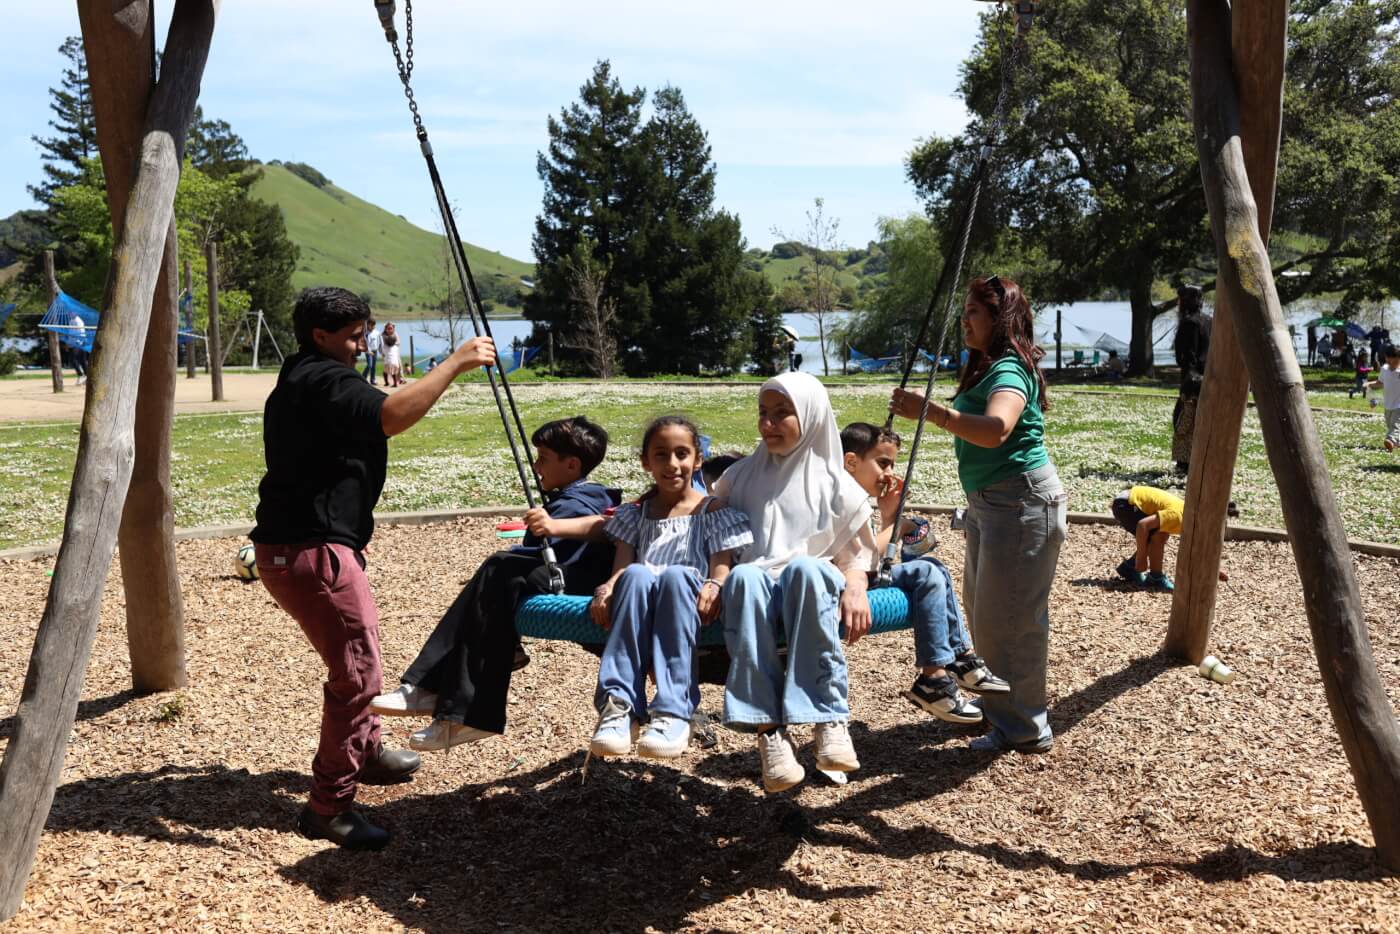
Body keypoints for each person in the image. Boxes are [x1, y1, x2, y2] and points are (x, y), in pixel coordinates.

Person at [251, 287, 495, 850]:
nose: (364, 343)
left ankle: (364, 751)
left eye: (365, 332)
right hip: (312, 552)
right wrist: (456, 362)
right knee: (357, 673)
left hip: (305, 547)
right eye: (355, 334)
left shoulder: (303, 374)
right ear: (321, 335)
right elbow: (390, 416)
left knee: (360, 656)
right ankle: (328, 807)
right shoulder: (323, 379)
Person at [890, 274, 1066, 755]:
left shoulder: (1008, 368)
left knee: (1013, 620)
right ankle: (1005, 717)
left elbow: (996, 429)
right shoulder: (990, 365)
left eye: (972, 312)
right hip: (996, 503)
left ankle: (1026, 729)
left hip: (1021, 502)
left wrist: (931, 412)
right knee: (989, 618)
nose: (964, 320)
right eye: (965, 311)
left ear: (998, 318)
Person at [370, 417, 621, 749]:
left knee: (499, 568)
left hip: (579, 583)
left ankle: (436, 693)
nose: (536, 465)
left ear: (572, 465)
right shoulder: (579, 497)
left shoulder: (576, 504)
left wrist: (536, 538)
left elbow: (560, 555)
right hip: (566, 574)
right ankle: (447, 701)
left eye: (543, 457)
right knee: (497, 572)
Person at [716, 372, 877, 793]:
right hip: (756, 583)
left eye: (781, 414)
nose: (768, 424)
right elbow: (713, 534)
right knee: (747, 577)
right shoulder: (739, 478)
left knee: (806, 568)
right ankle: (769, 732)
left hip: (808, 583)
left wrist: (856, 587)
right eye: (763, 414)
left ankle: (828, 717)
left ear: (810, 415)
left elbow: (855, 557)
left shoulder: (836, 486)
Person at [580, 416, 752, 759]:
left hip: (686, 594)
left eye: (681, 454)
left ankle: (674, 708)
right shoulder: (637, 513)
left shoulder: (711, 510)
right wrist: (608, 587)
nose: (672, 464)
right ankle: (620, 706)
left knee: (675, 575)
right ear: (646, 462)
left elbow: (721, 564)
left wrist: (716, 585)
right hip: (642, 596)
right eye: (660, 455)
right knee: (636, 576)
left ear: (698, 459)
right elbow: (623, 566)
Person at [839, 422, 1008, 724]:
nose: (889, 472)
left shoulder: (854, 498)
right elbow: (861, 557)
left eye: (892, 464)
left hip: (857, 574)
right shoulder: (842, 499)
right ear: (851, 462)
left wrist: (889, 513)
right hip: (841, 584)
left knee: (933, 568)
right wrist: (898, 526)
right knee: (929, 573)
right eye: (883, 463)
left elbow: (873, 555)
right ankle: (940, 672)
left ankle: (955, 661)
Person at [1110, 487, 1183, 591]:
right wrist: (1142, 558)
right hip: (1126, 504)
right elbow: (1143, 525)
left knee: (1160, 535)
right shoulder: (1179, 517)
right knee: (1152, 535)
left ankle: (1132, 568)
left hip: (1128, 500)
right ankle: (1153, 576)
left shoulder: (1185, 514)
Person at [1172, 285, 1211, 473]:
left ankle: (1186, 462)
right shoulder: (1210, 321)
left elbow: (1187, 356)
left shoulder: (1189, 323)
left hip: (1192, 381)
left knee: (1184, 421)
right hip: (1210, 378)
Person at [1367, 344, 1400, 452]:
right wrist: (1370, 385)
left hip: (1398, 406)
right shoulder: (1384, 369)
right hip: (1388, 405)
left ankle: (1390, 440)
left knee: (1395, 426)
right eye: (1390, 362)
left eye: (1395, 362)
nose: (1392, 364)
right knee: (1390, 424)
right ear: (1386, 358)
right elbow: (1380, 383)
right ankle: (1397, 442)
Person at [381, 323, 403, 388]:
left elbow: (398, 343)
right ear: (385, 329)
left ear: (393, 329)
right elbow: (381, 345)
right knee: (385, 370)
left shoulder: (395, 334)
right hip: (387, 354)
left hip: (394, 354)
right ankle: (387, 382)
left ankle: (396, 382)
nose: (390, 330)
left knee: (394, 369)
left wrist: (393, 345)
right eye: (388, 328)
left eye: (391, 328)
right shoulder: (383, 335)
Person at [363, 318, 382, 384]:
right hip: (368, 352)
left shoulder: (377, 332)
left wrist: (381, 351)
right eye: (371, 325)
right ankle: (363, 378)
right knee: (369, 365)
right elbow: (366, 343)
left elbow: (380, 343)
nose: (373, 327)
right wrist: (368, 351)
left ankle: (373, 380)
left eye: (374, 325)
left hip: (375, 351)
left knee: (374, 366)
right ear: (367, 325)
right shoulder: (366, 333)